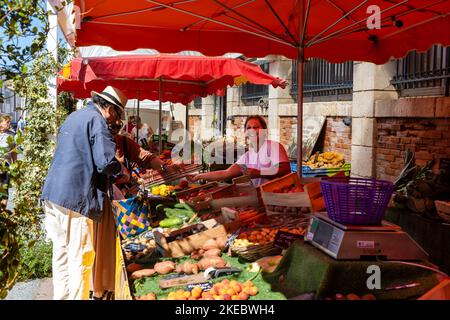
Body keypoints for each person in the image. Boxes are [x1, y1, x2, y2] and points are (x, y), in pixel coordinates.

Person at [41, 86, 128, 300]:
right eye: (118, 114)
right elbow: (106, 162)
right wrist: (120, 168)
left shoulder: (75, 116)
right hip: (75, 197)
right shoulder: (97, 121)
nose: (115, 120)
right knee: (81, 257)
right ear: (110, 109)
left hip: (53, 194)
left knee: (62, 256)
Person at [91, 119, 181, 300]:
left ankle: (111, 284)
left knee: (121, 242)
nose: (114, 129)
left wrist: (163, 166)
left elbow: (145, 157)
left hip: (125, 203)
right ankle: (100, 288)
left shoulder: (124, 142)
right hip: (101, 202)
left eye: (117, 125)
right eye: (110, 126)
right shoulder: (95, 143)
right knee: (100, 245)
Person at [190, 115, 291, 187]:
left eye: (256, 127)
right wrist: (198, 176)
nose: (252, 130)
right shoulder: (248, 155)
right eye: (249, 128)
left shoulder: (273, 146)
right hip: (259, 197)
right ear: (245, 132)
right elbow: (226, 173)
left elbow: (285, 169)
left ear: (264, 130)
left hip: (277, 196)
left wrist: (259, 173)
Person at [0, 114, 17, 206]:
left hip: (6, 165)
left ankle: (3, 212)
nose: (9, 123)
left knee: (4, 189)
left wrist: (15, 164)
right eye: (7, 122)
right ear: (1, 123)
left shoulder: (11, 135)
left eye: (9, 122)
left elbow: (14, 152)